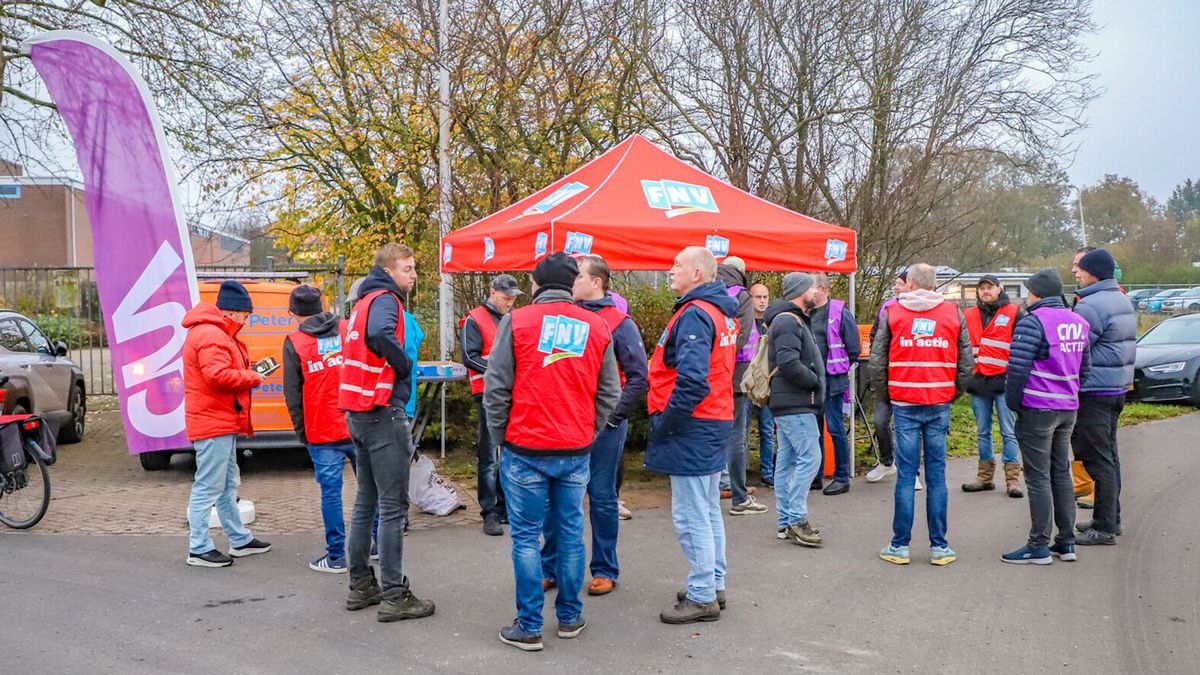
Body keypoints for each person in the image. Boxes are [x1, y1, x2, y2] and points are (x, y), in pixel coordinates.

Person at [484, 252, 621, 651]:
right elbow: (610, 390)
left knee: (526, 538)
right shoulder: (596, 325)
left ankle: (528, 625)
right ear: (571, 283)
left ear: (536, 284)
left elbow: (496, 387)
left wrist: (499, 435)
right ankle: (569, 617)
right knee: (572, 534)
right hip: (575, 448)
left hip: (525, 446)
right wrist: (589, 428)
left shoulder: (517, 321)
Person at [539, 255, 647, 598]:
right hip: (564, 422)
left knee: (601, 498)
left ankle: (604, 569)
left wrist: (612, 416)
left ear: (596, 282)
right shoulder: (565, 317)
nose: (572, 281)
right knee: (556, 499)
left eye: (579, 276)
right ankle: (550, 567)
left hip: (603, 427)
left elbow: (638, 376)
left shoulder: (619, 322)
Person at [339, 243, 434, 622]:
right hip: (382, 413)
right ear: (389, 270)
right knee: (393, 507)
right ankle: (395, 594)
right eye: (408, 268)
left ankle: (361, 584)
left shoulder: (360, 302)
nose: (413, 275)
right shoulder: (386, 300)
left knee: (367, 501)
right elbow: (380, 335)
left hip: (359, 413)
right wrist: (404, 364)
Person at [645, 247, 739, 624]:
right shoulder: (717, 311)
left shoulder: (697, 314)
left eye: (677, 265)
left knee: (691, 514)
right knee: (708, 508)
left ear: (697, 273)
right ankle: (712, 583)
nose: (670, 270)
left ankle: (703, 594)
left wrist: (666, 423)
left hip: (694, 424)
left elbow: (692, 381)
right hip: (714, 419)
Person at [869, 263, 973, 566]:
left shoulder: (894, 312)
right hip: (939, 400)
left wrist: (887, 395)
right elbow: (966, 361)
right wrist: (952, 392)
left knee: (905, 475)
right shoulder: (954, 313)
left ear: (910, 282)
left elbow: (877, 361)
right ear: (935, 284)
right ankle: (940, 547)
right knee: (937, 476)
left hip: (904, 402)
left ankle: (899, 546)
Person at [1002, 269, 1091, 564]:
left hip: (1038, 408)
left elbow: (1017, 370)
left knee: (1038, 477)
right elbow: (1085, 369)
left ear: (1037, 293)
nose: (1027, 296)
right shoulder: (1079, 322)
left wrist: (1015, 404)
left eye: (1029, 290)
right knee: (1061, 473)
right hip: (1068, 407)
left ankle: (1038, 544)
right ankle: (1066, 542)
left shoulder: (1032, 322)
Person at [181, 280, 271, 568]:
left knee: (226, 483)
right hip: (214, 420)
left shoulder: (214, 332)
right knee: (208, 486)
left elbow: (220, 371)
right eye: (246, 315)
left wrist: (247, 371)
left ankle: (239, 539)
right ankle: (198, 547)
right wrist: (254, 377)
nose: (246, 321)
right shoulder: (212, 335)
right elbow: (217, 376)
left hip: (218, 419)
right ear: (233, 312)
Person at [282, 285, 355, 573]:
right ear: (322, 306)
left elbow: (293, 395)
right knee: (370, 488)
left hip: (321, 430)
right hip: (357, 421)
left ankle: (336, 556)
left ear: (294, 314)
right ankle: (375, 544)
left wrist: (303, 433)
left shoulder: (295, 342)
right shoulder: (348, 329)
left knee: (331, 493)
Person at [1070, 248, 1136, 545]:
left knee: (1098, 460)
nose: (1076, 272)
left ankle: (1105, 528)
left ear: (1094, 272)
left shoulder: (1090, 305)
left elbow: (1076, 347)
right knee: (1110, 455)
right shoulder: (1120, 298)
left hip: (1095, 389)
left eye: (1081, 268)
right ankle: (1110, 518)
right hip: (1117, 387)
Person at [766, 273, 826, 547]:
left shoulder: (788, 319)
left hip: (788, 402)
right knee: (810, 457)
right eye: (814, 287)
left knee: (788, 461)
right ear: (801, 291)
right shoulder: (789, 321)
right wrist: (814, 380)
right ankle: (796, 519)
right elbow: (788, 362)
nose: (818, 292)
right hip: (796, 402)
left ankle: (784, 522)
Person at [461, 274, 523, 536]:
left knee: (508, 454)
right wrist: (500, 371)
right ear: (492, 292)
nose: (509, 302)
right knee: (488, 456)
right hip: (486, 392)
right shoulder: (474, 319)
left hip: (511, 392)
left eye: (512, 298)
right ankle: (490, 511)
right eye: (505, 297)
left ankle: (505, 506)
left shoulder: (513, 318)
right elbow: (468, 356)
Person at [961, 275, 1026, 498]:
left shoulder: (1014, 313)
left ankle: (1012, 479)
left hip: (1005, 381)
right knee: (982, 432)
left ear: (999, 289)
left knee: (1009, 432)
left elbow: (1023, 346)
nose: (985, 292)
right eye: (981, 289)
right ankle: (985, 477)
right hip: (978, 382)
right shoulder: (968, 315)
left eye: (989, 288)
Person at [716, 255, 766, 514]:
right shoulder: (742, 295)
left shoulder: (711, 290)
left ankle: (716, 487)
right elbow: (742, 333)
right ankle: (738, 495)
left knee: (715, 430)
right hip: (738, 374)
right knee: (737, 435)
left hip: (716, 372)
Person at [865, 270, 922, 490]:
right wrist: (876, 363)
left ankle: (913, 471)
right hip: (886, 376)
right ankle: (887, 462)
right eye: (895, 283)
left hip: (909, 377)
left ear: (911, 285)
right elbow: (874, 335)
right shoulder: (887, 307)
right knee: (880, 421)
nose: (896, 287)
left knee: (909, 427)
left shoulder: (919, 308)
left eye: (900, 283)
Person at [806, 273, 861, 495]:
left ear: (823, 289)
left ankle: (841, 476)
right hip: (810, 381)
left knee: (836, 428)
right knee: (814, 430)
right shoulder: (806, 312)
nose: (809, 292)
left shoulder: (839, 312)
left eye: (812, 288)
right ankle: (816, 475)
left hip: (832, 380)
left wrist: (841, 369)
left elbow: (853, 347)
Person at [1069, 247, 1097, 506]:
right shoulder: (1082, 298)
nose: (1074, 270)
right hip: (1083, 383)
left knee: (1093, 439)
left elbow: (1084, 343)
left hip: (1094, 383)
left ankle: (1094, 487)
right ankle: (1082, 482)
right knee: (1078, 436)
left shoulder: (1095, 301)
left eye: (1079, 265)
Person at [748, 282, 776, 486]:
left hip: (765, 383)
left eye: (765, 297)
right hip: (747, 383)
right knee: (741, 431)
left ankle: (768, 472)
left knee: (767, 429)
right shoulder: (744, 323)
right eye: (758, 297)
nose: (762, 301)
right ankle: (741, 471)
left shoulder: (772, 324)